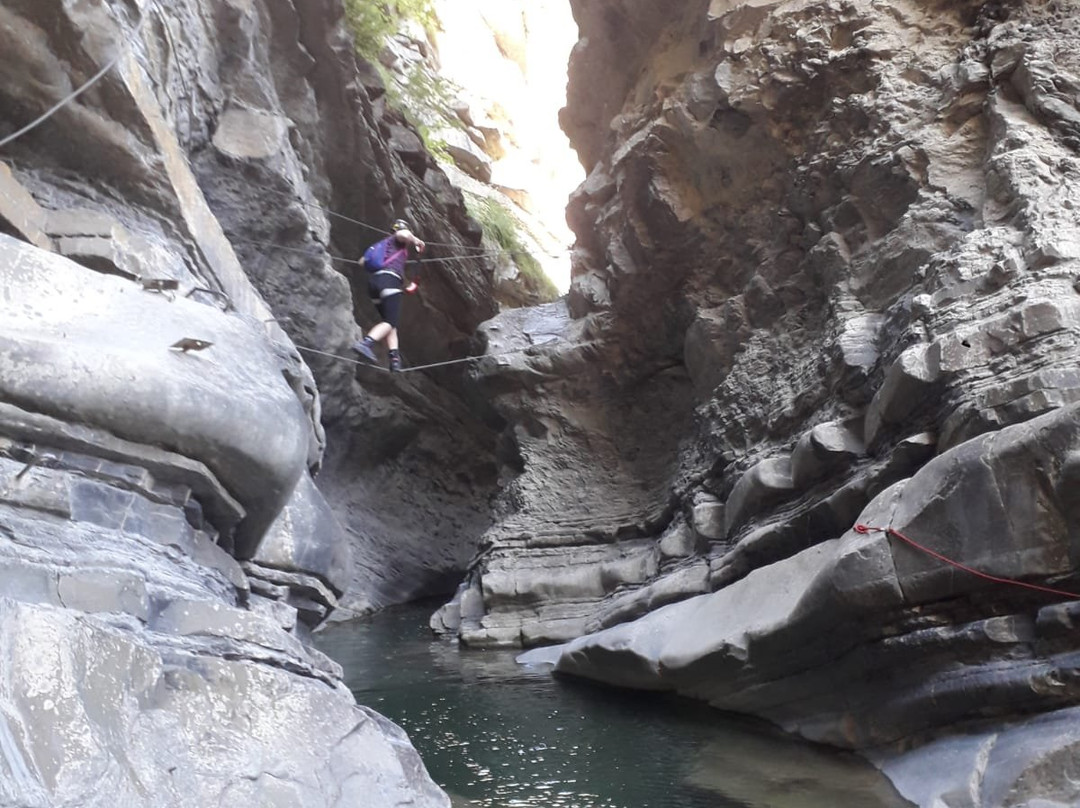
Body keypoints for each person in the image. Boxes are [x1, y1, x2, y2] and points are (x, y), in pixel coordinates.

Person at [351, 219, 425, 372]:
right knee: (390, 323)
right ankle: (366, 344)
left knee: (390, 322)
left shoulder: (381, 246)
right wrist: (416, 240)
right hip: (389, 281)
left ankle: (394, 360)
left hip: (374, 284)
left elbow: (362, 262)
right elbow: (403, 234)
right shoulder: (398, 241)